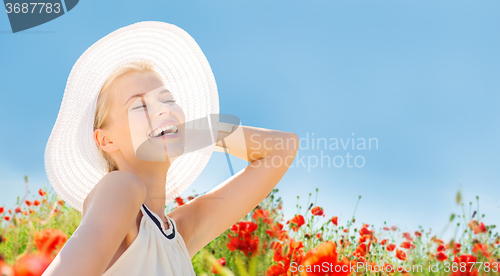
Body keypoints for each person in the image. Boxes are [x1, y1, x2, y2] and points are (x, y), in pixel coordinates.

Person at [42, 21, 298, 276]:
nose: (164, 108)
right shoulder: (120, 187)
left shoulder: (179, 235)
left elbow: (283, 148)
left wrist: (193, 132)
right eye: (140, 106)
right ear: (106, 140)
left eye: (168, 100)